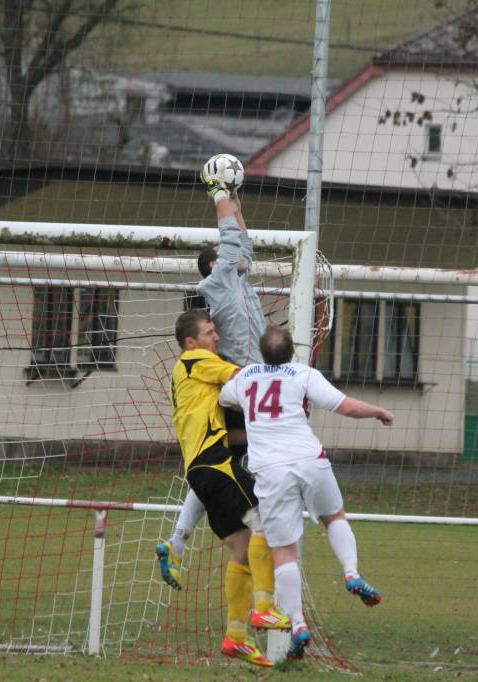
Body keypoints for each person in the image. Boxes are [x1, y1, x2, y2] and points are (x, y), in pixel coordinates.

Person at [219, 325, 395, 660]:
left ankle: (298, 623)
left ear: (262, 353)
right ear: (292, 352)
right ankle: (351, 572)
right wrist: (378, 412)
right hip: (309, 461)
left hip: (271, 472)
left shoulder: (245, 378)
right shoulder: (304, 374)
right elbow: (345, 406)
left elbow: (223, 397)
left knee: (283, 551)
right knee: (334, 516)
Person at [156, 154, 266, 593]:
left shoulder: (239, 278)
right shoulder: (218, 283)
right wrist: (217, 192)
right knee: (233, 462)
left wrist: (234, 197)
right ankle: (260, 526)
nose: (234, 249)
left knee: (220, 463)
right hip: (239, 386)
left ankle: (178, 540)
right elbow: (232, 242)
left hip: (250, 385)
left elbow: (243, 243)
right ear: (213, 265)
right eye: (225, 251)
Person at [168, 309, 286, 667]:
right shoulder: (196, 360)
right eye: (209, 333)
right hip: (215, 463)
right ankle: (263, 607)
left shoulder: (190, 373)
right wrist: (283, 383)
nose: (216, 337)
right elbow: (241, 377)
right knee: (266, 517)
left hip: (202, 468)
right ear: (191, 342)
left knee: (242, 545)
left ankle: (235, 637)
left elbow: (230, 428)